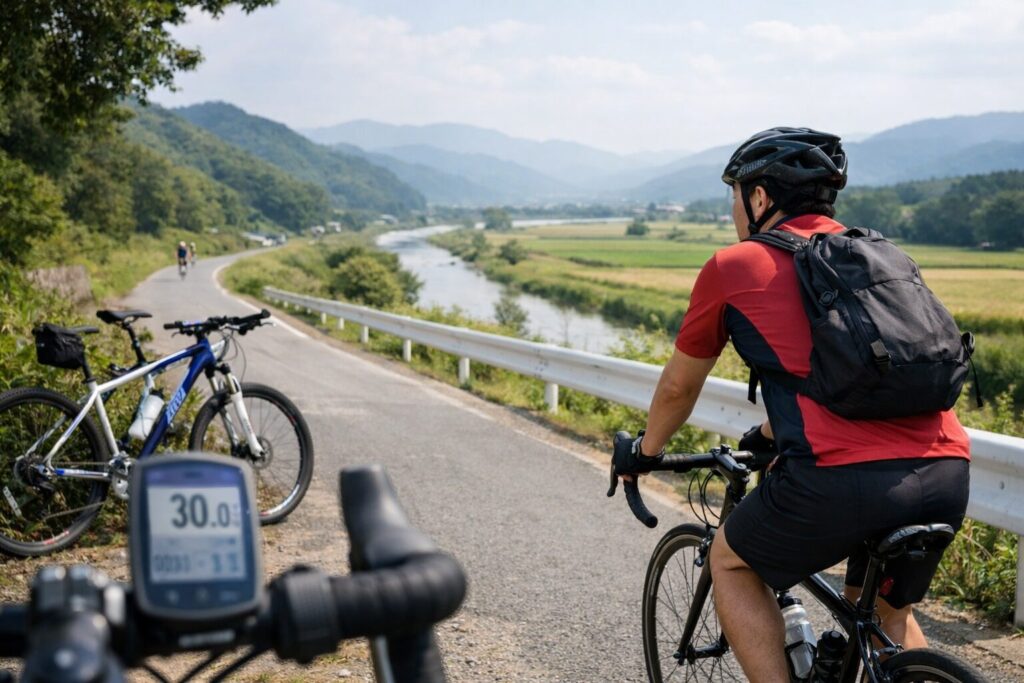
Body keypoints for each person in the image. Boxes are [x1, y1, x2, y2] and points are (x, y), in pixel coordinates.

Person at [624, 128, 971, 682]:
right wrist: (768, 433)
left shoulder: (734, 266)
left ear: (760, 198)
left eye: (734, 195)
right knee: (885, 620)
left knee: (731, 561)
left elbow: (676, 390)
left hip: (837, 483)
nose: (732, 211)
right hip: (946, 472)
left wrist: (645, 450)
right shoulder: (881, 257)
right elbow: (850, 380)